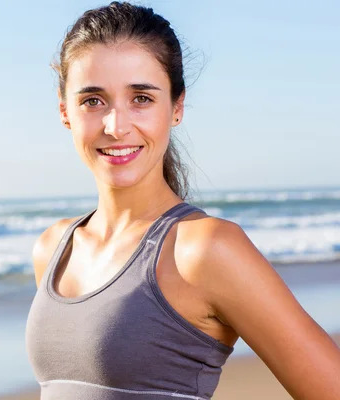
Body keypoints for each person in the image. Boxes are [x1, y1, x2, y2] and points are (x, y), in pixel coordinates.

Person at [25, 2, 340, 399]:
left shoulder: (205, 250)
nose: (116, 126)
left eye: (141, 98)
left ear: (176, 108)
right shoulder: (54, 247)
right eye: (93, 100)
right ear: (64, 111)